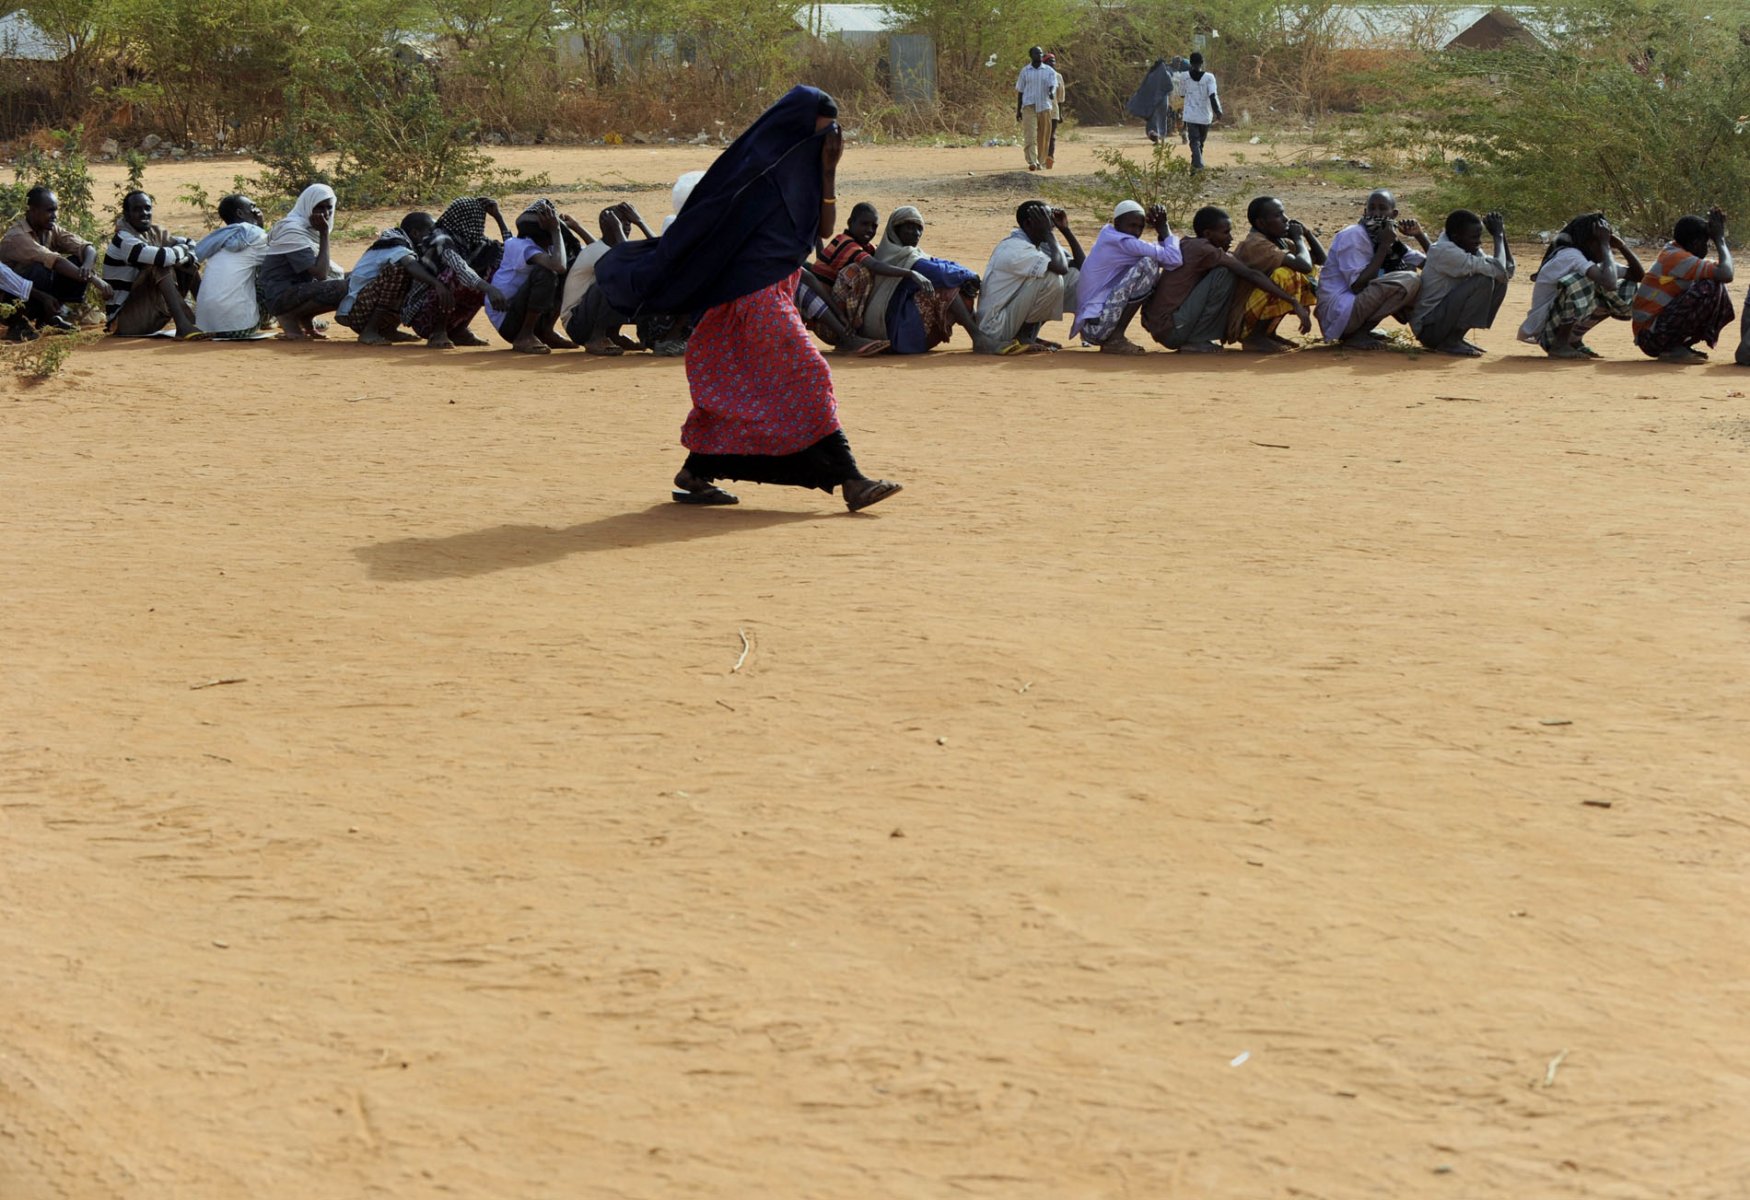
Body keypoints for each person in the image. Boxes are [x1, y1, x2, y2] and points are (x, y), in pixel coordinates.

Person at [594, 85, 902, 512]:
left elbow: (825, 229)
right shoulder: (757, 168)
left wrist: (829, 170)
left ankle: (695, 473)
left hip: (776, 288)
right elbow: (711, 221)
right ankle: (851, 480)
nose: (830, 136)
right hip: (751, 295)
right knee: (809, 376)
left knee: (743, 393)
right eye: (823, 128)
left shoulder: (809, 165)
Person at [1139, 205, 1310, 352]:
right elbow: (1250, 274)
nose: (1231, 238)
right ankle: (1198, 340)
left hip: (1164, 327)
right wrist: (1292, 301)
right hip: (1172, 329)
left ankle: (1199, 337)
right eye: (1225, 232)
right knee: (1226, 273)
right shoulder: (1204, 249)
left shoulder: (1189, 244)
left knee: (1227, 267)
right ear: (1208, 234)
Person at [856, 207, 999, 354]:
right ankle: (979, 338)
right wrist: (970, 276)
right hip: (896, 334)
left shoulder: (906, 253)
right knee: (948, 288)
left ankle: (983, 335)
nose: (916, 234)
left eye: (919, 229)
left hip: (901, 328)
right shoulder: (901, 257)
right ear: (895, 230)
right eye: (909, 228)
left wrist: (967, 276)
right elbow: (940, 273)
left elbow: (938, 263)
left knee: (952, 282)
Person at [1517, 212, 1644, 359]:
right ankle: (1559, 345)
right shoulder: (1570, 256)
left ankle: (1573, 339)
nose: (1607, 246)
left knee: (1622, 283)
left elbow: (1638, 276)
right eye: (1601, 241)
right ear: (1588, 242)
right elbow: (1608, 283)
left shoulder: (1589, 259)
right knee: (1583, 281)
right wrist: (1605, 245)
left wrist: (1622, 246)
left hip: (1556, 324)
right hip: (1546, 331)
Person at [1071, 199, 1181, 354]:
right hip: (1096, 328)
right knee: (1148, 264)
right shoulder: (1122, 242)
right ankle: (1115, 338)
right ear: (1117, 223)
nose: (1136, 232)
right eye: (1132, 225)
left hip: (1095, 326)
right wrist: (1164, 227)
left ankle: (1115, 336)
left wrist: (1161, 232)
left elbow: (1167, 259)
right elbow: (1174, 259)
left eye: (1140, 227)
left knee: (1151, 261)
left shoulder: (1111, 237)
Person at [1317, 190, 1424, 348]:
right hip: (1339, 313)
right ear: (1365, 212)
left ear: (1393, 214)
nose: (1376, 213)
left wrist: (1419, 235)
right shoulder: (1353, 235)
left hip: (1353, 309)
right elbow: (1357, 286)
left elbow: (1429, 264)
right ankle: (1356, 334)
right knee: (1409, 279)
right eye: (1372, 208)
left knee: (1411, 270)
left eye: (1382, 209)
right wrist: (1383, 247)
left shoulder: (1392, 243)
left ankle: (1427, 332)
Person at [1, 186, 113, 333]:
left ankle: (48, 318)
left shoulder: (50, 229)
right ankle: (17, 324)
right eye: (49, 210)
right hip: (8, 300)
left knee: (78, 262)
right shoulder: (18, 236)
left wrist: (86, 266)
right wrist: (94, 279)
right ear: (32, 211)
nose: (54, 215)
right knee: (40, 269)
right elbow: (55, 261)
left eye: (55, 210)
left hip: (32, 292)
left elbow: (87, 247)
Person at [337, 213, 459, 346]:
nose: (434, 236)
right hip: (358, 310)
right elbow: (410, 265)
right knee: (399, 271)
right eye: (430, 231)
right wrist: (437, 284)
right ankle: (369, 331)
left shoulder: (409, 245)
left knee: (424, 271)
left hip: (368, 304)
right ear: (415, 233)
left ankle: (388, 329)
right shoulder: (395, 244)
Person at [1632, 206, 1735, 363]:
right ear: (1695, 243)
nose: (1707, 248)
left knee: (1716, 284)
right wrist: (1720, 240)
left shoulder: (1678, 253)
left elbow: (1723, 270)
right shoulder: (1675, 257)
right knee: (1710, 285)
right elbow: (1726, 274)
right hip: (1650, 337)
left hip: (1654, 333)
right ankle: (1671, 348)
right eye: (1705, 243)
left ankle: (1677, 345)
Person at [978, 200, 1084, 350]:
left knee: (1074, 276)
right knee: (1051, 279)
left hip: (1010, 318)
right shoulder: (1016, 248)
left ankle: (1028, 335)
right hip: (995, 327)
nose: (1051, 224)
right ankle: (1023, 337)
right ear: (1029, 224)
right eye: (1046, 220)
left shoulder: (1037, 244)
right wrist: (1049, 233)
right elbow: (1060, 268)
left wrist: (1065, 230)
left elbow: (1081, 267)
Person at [404, 196, 510, 346]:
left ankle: (459, 330)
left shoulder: (475, 243)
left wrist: (499, 218)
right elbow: (459, 266)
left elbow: (511, 254)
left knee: (491, 270)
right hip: (423, 315)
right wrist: (489, 289)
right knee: (453, 275)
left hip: (453, 318)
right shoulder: (440, 238)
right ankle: (438, 333)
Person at [1409, 209, 1515, 356]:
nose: (1479, 242)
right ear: (1456, 237)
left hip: (1441, 322)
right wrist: (1498, 236)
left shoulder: (1467, 248)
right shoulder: (1445, 251)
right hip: (1428, 328)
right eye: (1474, 237)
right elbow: (1499, 270)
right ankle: (1451, 341)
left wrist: (1502, 235)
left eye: (1479, 237)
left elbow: (1506, 273)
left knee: (1498, 282)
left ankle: (1456, 338)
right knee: (1483, 280)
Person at [1224, 196, 1324, 351]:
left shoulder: (1277, 240)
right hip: (1240, 318)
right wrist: (1298, 238)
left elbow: (1321, 260)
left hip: (1253, 310)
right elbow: (1302, 265)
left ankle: (1268, 333)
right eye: (1278, 216)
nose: (1286, 220)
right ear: (1261, 223)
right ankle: (1255, 337)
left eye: (1283, 214)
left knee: (1310, 271)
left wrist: (1308, 233)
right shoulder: (1256, 244)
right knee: (1285, 275)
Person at [100, 190, 200, 338]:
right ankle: (183, 325)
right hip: (124, 322)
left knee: (188, 264)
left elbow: (190, 242)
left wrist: (187, 253)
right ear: (126, 214)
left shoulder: (155, 232)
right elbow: (163, 257)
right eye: (137, 209)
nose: (144, 213)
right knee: (158, 265)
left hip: (151, 312)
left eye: (147, 208)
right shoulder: (124, 239)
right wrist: (184, 251)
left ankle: (206, 318)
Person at [485, 199, 575, 354]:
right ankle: (525, 336)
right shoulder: (523, 246)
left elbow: (574, 259)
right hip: (507, 319)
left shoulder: (540, 245)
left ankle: (546, 331)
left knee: (570, 268)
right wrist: (556, 230)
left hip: (521, 310)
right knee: (546, 273)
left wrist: (575, 228)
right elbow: (558, 266)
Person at [260, 183, 347, 340]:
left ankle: (305, 322)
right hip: (279, 296)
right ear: (308, 206)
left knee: (356, 280)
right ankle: (288, 318)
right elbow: (320, 274)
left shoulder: (306, 229)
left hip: (296, 290)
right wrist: (324, 234)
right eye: (319, 208)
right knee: (343, 287)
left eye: (329, 208)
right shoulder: (292, 230)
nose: (325, 213)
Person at [192, 194, 271, 339]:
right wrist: (261, 227)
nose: (257, 210)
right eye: (252, 207)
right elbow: (276, 263)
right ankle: (298, 320)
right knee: (273, 273)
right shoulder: (256, 236)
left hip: (205, 324)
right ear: (240, 213)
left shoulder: (220, 239)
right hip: (240, 327)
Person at [1014, 46, 1059, 173]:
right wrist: (1018, 110)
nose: (1039, 55)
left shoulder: (1049, 71)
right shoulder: (1025, 71)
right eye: (1036, 53)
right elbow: (1020, 91)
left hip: (1044, 107)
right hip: (1029, 106)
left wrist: (1051, 92)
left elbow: (1053, 85)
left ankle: (1041, 160)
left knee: (1044, 136)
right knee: (1030, 134)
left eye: (1040, 53)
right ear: (1031, 55)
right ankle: (1032, 161)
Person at [1179, 52, 1221, 171]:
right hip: (1205, 115)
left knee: (1195, 143)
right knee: (1199, 143)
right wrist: (1218, 111)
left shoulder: (1184, 76)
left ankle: (1196, 167)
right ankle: (1198, 166)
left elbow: (1181, 94)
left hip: (1190, 115)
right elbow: (1213, 96)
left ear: (1190, 63)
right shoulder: (1209, 77)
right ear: (1202, 63)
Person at [1126, 58, 1174, 143]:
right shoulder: (1166, 74)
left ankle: (1154, 134)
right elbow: (1170, 87)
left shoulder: (1151, 75)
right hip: (1164, 100)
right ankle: (1162, 137)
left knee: (1153, 118)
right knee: (1162, 119)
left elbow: (1145, 87)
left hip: (1154, 100)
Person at [1043, 51, 1065, 169]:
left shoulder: (1058, 77)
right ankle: (1041, 157)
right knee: (1041, 135)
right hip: (1041, 110)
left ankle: (1050, 157)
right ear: (1044, 63)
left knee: (1051, 136)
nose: (1052, 64)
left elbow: (1060, 97)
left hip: (1054, 110)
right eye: (1049, 61)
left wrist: (1061, 114)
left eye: (1053, 61)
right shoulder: (1040, 75)